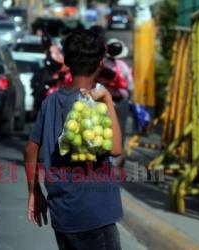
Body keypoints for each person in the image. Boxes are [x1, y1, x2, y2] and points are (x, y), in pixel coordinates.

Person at [24, 30, 123, 250]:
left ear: (66, 61)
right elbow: (115, 149)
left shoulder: (50, 103)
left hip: (63, 215)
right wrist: (106, 97)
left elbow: (31, 148)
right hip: (96, 215)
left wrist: (34, 192)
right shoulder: (97, 103)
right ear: (100, 63)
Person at [96, 38, 133, 167]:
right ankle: (118, 158)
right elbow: (130, 85)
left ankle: (102, 155)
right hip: (120, 100)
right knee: (120, 128)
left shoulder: (101, 64)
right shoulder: (123, 66)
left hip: (102, 100)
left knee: (102, 126)